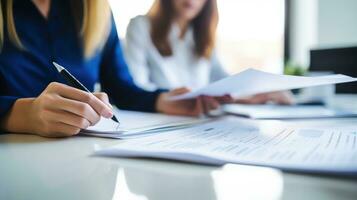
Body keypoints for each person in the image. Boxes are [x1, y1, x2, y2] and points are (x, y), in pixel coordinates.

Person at [0, 0, 221, 138]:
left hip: (81, 160)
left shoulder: (97, 11)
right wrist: (22, 114)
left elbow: (121, 88)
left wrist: (162, 101)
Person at [124, 0, 293, 102]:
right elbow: (136, 88)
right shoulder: (141, 26)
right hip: (159, 118)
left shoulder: (202, 35)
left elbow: (222, 80)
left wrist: (259, 90)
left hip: (198, 118)